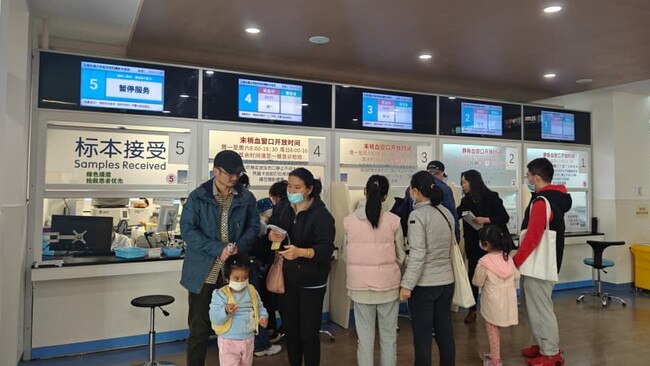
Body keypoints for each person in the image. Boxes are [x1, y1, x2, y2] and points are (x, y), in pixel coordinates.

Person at [180, 150, 260, 366]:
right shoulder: (198, 197)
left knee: (237, 326)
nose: (235, 178)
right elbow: (187, 230)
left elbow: (253, 227)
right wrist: (218, 249)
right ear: (216, 171)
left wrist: (237, 248)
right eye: (230, 173)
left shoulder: (246, 197)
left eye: (238, 173)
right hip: (204, 273)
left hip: (234, 273)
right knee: (200, 329)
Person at [267, 168, 335, 366]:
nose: (292, 190)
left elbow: (325, 249)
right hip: (287, 279)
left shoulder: (321, 215)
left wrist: (301, 252)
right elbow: (271, 229)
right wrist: (272, 237)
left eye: (297, 187)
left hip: (312, 281)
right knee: (291, 332)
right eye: (289, 186)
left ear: (309, 189)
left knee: (308, 334)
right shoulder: (283, 208)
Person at [513, 158, 572, 366]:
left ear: (536, 177)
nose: (527, 180)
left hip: (539, 264)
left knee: (541, 308)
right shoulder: (551, 198)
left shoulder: (542, 201)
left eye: (528, 176)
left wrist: (515, 260)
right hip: (541, 262)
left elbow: (533, 236)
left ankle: (551, 353)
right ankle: (539, 344)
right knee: (532, 306)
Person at [343, 175, 405, 366]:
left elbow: (345, 255)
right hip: (388, 287)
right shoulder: (394, 220)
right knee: (388, 339)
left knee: (365, 340)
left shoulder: (349, 221)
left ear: (365, 191)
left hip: (360, 289)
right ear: (385, 196)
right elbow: (401, 255)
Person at [399, 171, 455, 366]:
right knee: (445, 333)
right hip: (446, 282)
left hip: (425, 286)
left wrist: (406, 285)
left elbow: (418, 254)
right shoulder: (446, 212)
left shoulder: (417, 216)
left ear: (415, 191)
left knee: (422, 337)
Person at [456, 169, 510, 324]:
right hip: (474, 244)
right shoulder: (466, 200)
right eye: (462, 182)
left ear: (473, 182)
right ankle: (472, 310)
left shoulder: (491, 197)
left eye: (464, 182)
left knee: (494, 276)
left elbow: (503, 217)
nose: (463, 185)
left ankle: (496, 307)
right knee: (473, 275)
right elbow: (457, 213)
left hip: (491, 244)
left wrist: (485, 219)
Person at [209, 253, 269, 366]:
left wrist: (263, 317)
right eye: (236, 278)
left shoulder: (251, 291)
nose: (241, 281)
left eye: (244, 278)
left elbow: (260, 307)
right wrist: (225, 311)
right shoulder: (221, 294)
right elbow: (214, 317)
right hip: (228, 341)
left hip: (249, 339)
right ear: (227, 278)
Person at [472, 225, 518, 366]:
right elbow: (516, 275)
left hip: (492, 301)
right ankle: (494, 354)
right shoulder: (507, 258)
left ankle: (496, 360)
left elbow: (477, 281)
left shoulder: (484, 263)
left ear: (487, 244)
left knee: (492, 330)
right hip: (508, 299)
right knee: (495, 329)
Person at [427, 160, 461, 243]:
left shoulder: (415, 188)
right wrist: (456, 236)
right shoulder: (445, 189)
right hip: (441, 234)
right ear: (442, 173)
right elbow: (451, 214)